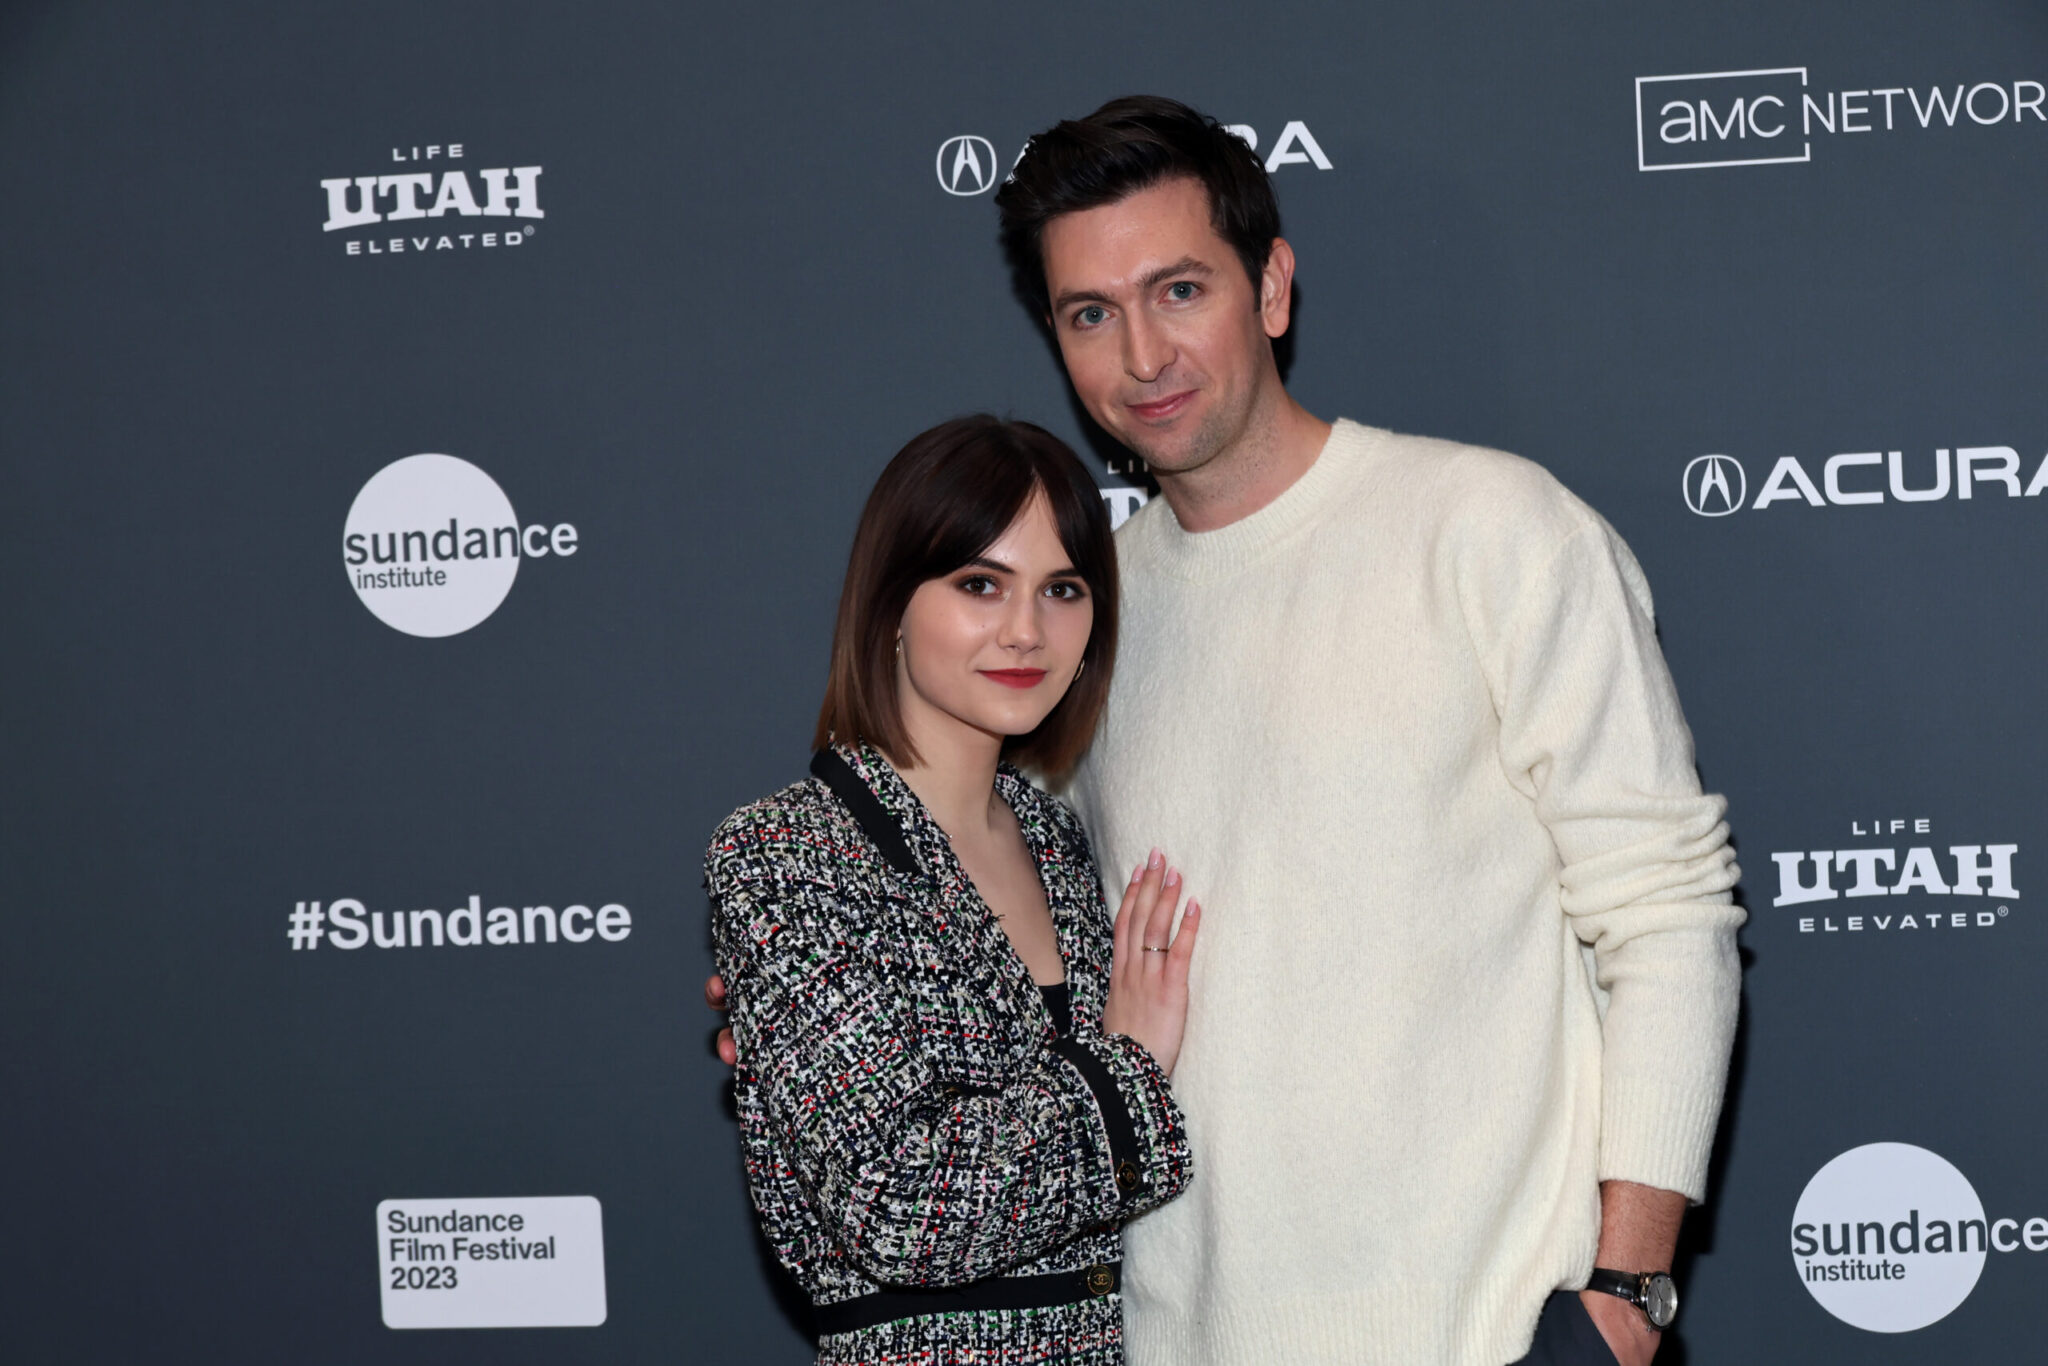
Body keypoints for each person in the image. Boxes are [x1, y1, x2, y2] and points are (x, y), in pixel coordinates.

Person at [716, 97, 1744, 1366]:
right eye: (1090, 313)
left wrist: (1623, 1289)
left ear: (1270, 289)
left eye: (1179, 289)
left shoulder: (1492, 529)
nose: (1141, 353)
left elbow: (1665, 907)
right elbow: (1012, 952)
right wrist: (807, 1015)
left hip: (1481, 1330)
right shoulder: (1079, 623)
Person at [704, 414, 1201, 1366]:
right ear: (891, 602)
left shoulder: (1061, 841)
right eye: (980, 584)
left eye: (1063, 589)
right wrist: (1123, 1071)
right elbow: (902, 1206)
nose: (1026, 630)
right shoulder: (791, 854)